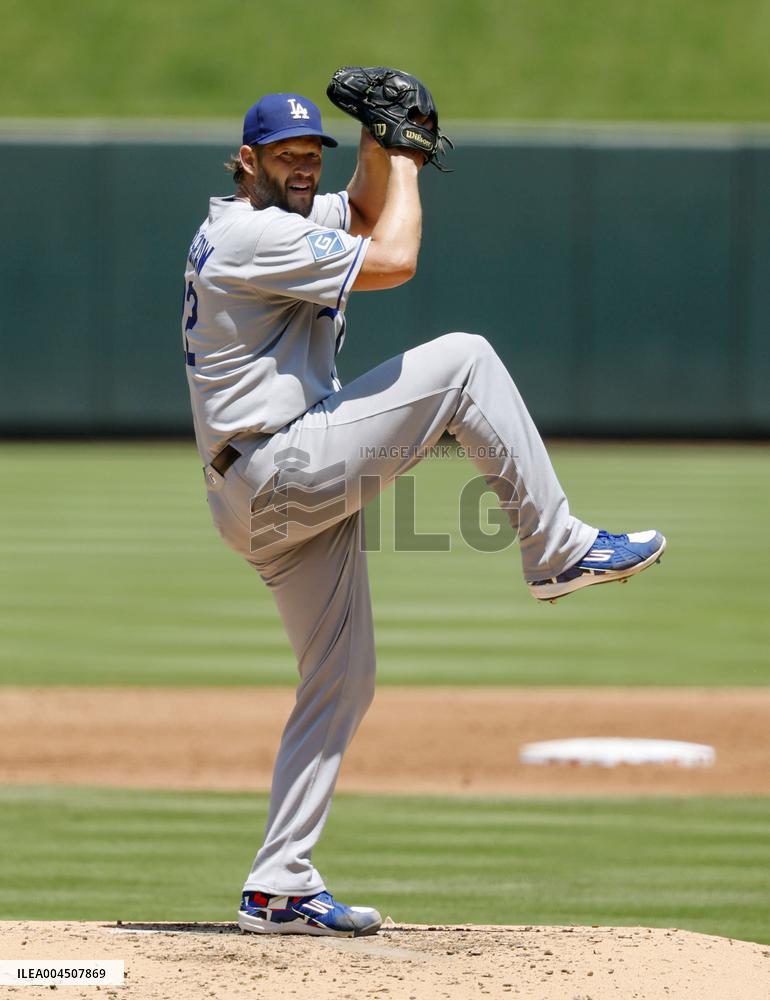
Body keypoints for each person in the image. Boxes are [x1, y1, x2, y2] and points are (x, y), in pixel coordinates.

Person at [181, 91, 666, 938]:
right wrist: (404, 155)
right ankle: (555, 549)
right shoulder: (253, 233)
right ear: (246, 159)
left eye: (313, 149)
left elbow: (365, 210)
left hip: (259, 484)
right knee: (465, 362)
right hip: (276, 466)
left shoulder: (279, 215)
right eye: (284, 151)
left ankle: (278, 884)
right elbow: (395, 251)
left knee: (342, 677)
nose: (304, 163)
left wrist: (379, 139)